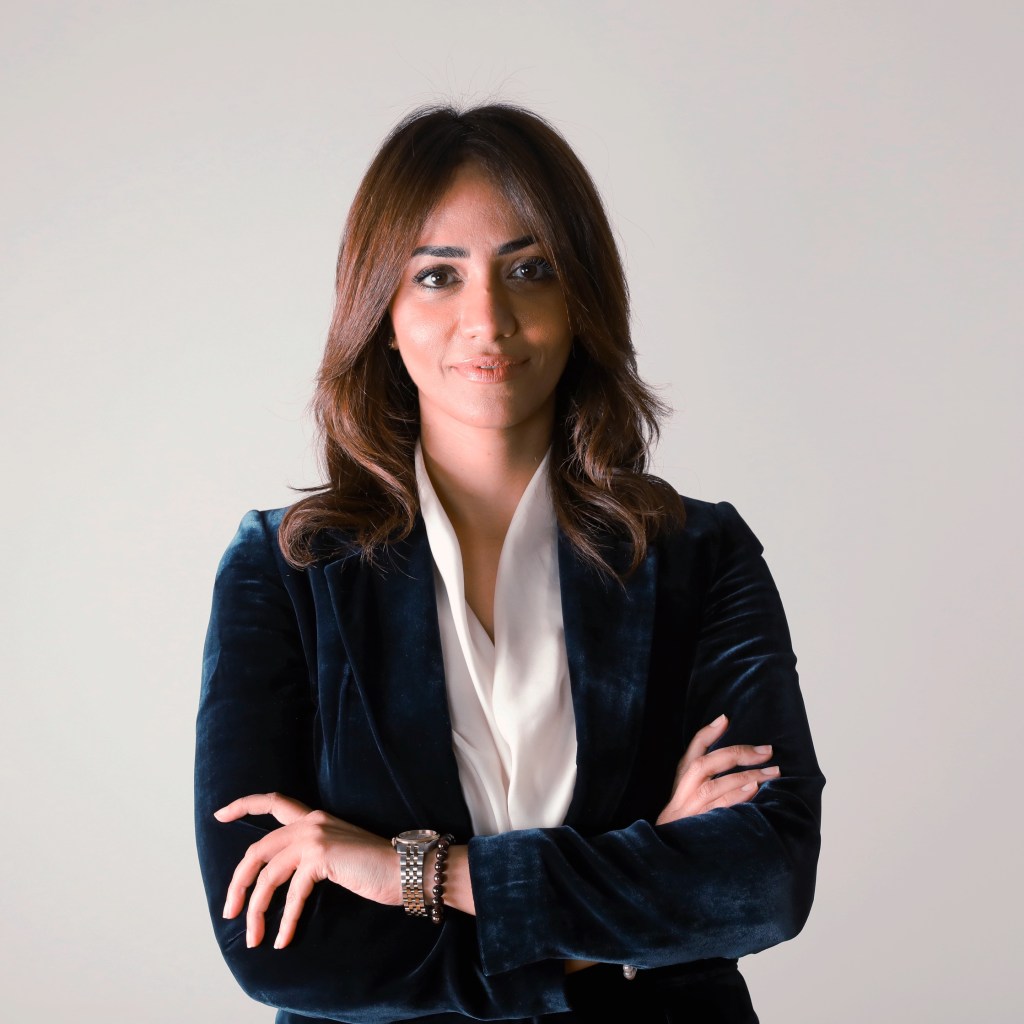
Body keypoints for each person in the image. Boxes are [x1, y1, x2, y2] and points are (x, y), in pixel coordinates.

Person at [195, 104, 824, 1024]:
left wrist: (415, 873)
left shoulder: (698, 554)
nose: (486, 319)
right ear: (383, 312)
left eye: (529, 270)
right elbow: (284, 952)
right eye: (437, 276)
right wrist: (635, 897)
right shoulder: (286, 570)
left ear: (581, 300)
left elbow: (764, 881)